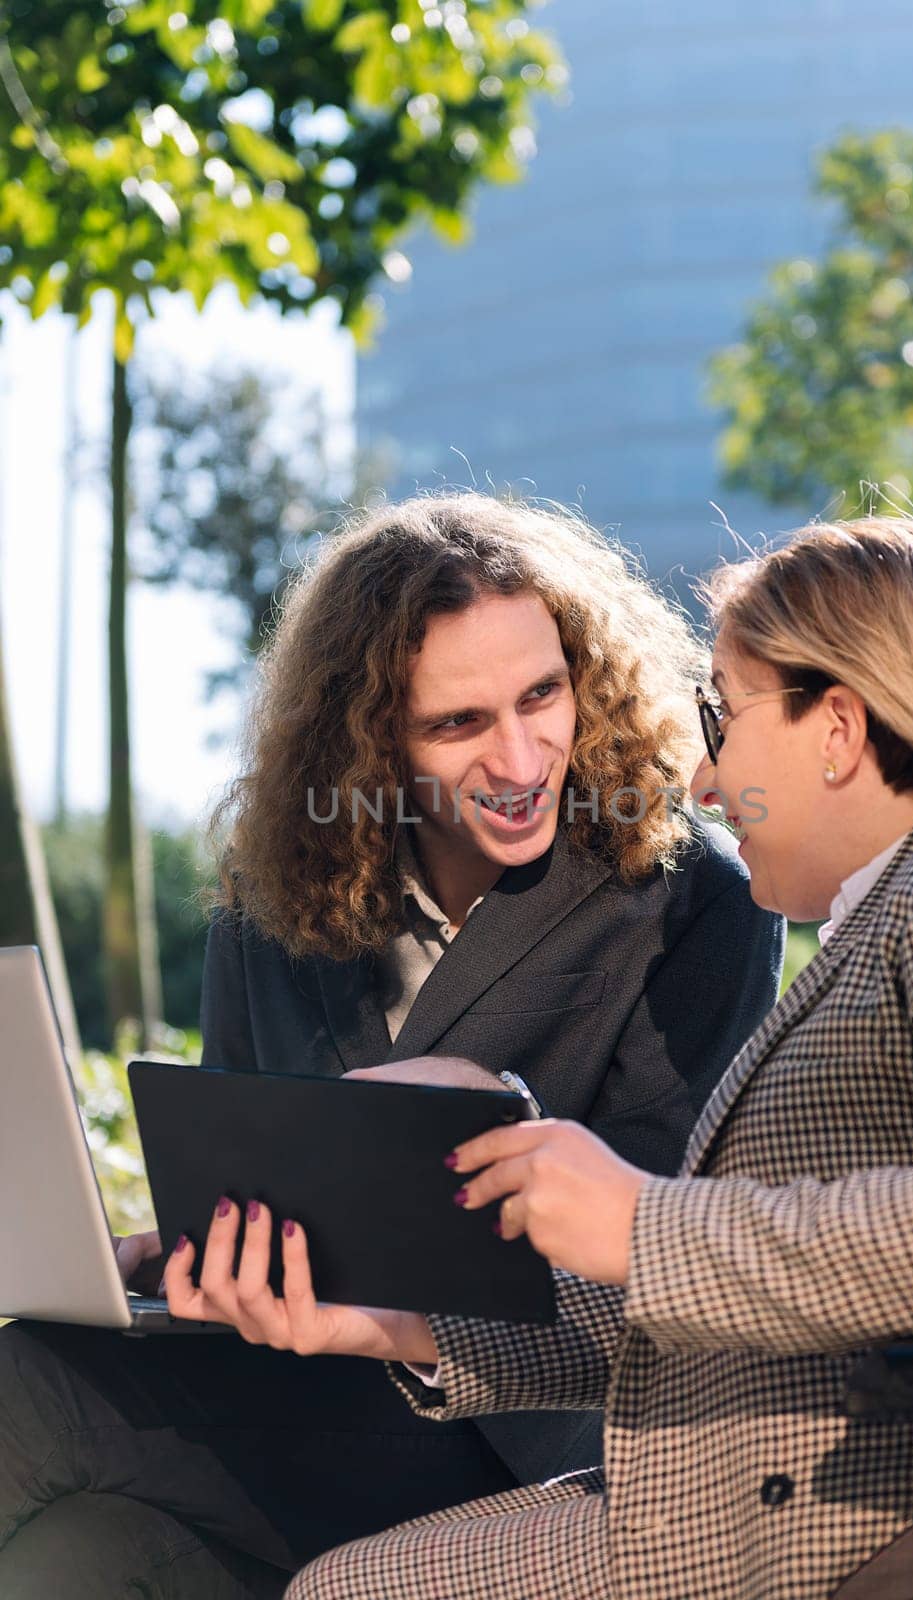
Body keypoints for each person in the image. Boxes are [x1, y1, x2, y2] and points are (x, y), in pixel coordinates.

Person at [166, 512, 913, 1600]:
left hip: (826, 1511)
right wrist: (400, 1323)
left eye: (720, 717)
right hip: (722, 1494)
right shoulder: (885, 922)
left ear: (835, 728)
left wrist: (638, 1219)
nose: (701, 779)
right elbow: (715, 1288)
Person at [0, 493, 783, 1597]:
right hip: (281, 1397)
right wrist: (189, 1256)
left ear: (583, 678)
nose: (520, 757)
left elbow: (670, 1250)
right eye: (457, 724)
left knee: (25, 1388)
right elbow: (239, 1170)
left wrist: (486, 1105)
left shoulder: (692, 903)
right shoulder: (265, 909)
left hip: (524, 1446)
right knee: (72, 1558)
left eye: (541, 695)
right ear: (370, 739)